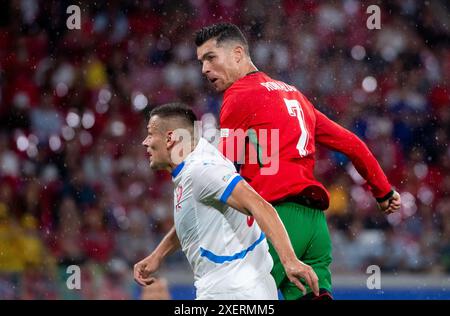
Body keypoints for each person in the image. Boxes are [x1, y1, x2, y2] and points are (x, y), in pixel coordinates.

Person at [195, 23, 402, 300]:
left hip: (277, 219)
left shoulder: (238, 96)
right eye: (201, 62)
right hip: (315, 224)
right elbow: (353, 145)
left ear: (237, 53)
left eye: (211, 57)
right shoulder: (296, 96)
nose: (204, 69)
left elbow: (225, 173)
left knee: (228, 299)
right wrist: (384, 191)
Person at [133, 103, 319, 300]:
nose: (145, 142)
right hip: (240, 286)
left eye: (150, 134)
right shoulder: (195, 163)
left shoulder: (201, 170)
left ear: (170, 138)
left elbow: (259, 205)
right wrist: (158, 255)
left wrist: (289, 260)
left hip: (233, 291)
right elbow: (193, 219)